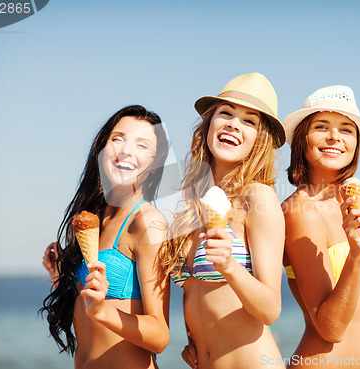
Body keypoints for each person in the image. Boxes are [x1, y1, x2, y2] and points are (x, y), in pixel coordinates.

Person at [159, 73, 286, 368]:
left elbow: (270, 309)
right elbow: (197, 294)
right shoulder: (190, 205)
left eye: (249, 121)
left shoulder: (257, 197)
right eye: (225, 113)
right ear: (209, 125)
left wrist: (229, 266)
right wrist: (193, 340)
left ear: (260, 139)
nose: (233, 123)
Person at [40, 105, 170, 369]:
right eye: (118, 138)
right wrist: (61, 278)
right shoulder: (94, 220)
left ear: (155, 166)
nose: (126, 150)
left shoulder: (148, 223)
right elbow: (89, 313)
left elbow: (160, 336)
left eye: (142, 145)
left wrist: (103, 311)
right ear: (102, 149)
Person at [282, 85, 360, 368]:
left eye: (346, 129)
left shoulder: (349, 203)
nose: (334, 137)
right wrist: (356, 253)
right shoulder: (301, 212)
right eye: (322, 126)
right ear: (303, 139)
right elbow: (331, 329)